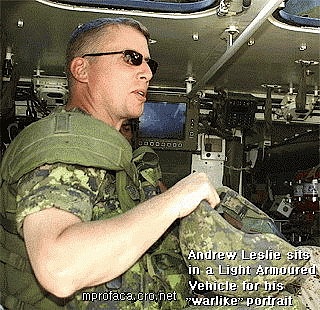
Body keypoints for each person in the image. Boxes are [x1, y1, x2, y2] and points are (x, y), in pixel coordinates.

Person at [0, 17, 220, 309]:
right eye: (132, 58)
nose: (146, 73)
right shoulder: (64, 143)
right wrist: (174, 201)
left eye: (149, 65)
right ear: (82, 69)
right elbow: (59, 269)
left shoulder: (105, 148)